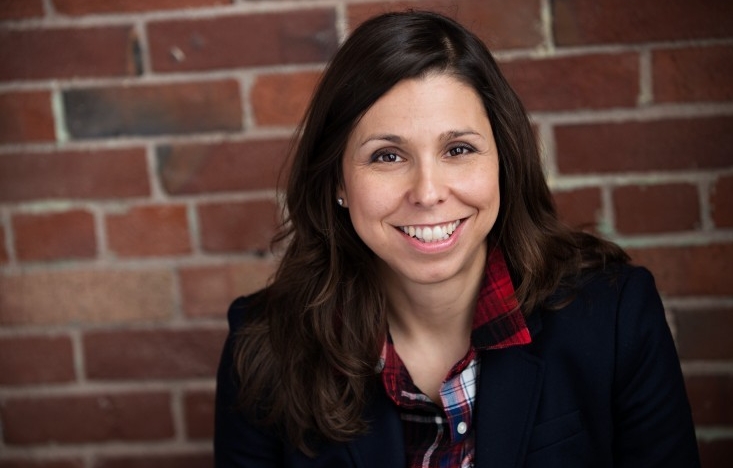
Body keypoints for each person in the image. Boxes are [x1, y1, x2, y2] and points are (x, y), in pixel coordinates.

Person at [214, 10, 700, 468]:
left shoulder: (614, 318)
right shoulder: (263, 349)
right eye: (387, 156)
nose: (427, 193)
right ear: (338, 182)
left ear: (503, 162)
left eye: (458, 149)